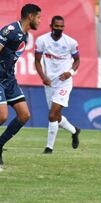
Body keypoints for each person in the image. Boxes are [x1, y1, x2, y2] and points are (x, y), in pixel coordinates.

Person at [0, 4, 41, 169]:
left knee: (24, 115)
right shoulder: (10, 30)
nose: (39, 21)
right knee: (2, 116)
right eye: (38, 17)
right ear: (30, 16)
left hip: (9, 80)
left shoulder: (26, 36)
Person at [35, 16, 81, 154]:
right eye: (57, 26)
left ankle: (49, 148)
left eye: (62, 26)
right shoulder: (42, 40)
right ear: (51, 26)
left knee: (52, 115)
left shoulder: (71, 42)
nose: (59, 29)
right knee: (55, 115)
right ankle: (74, 130)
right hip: (49, 83)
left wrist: (70, 72)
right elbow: (37, 61)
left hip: (64, 83)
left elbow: (77, 60)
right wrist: (43, 77)